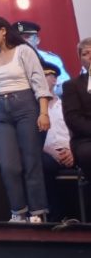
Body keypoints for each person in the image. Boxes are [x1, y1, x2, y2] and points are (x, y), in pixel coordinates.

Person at [0, 15, 51, 223]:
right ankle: (18, 211)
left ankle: (38, 212)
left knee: (31, 162)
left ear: (3, 30)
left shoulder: (24, 51)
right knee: (9, 166)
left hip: (26, 107)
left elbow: (39, 82)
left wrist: (43, 112)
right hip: (2, 112)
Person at [40, 62, 76, 220]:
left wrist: (72, 151)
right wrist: (50, 152)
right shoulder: (33, 108)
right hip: (46, 152)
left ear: (54, 79)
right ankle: (56, 218)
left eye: (44, 76)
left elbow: (77, 131)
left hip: (71, 150)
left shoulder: (67, 105)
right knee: (42, 166)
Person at [61, 39, 91, 183]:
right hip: (86, 139)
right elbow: (73, 119)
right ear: (81, 59)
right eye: (86, 53)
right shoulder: (72, 85)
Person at [13, 21, 70, 96]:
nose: (22, 41)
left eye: (26, 37)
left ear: (37, 40)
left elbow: (65, 85)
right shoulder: (9, 61)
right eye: (18, 38)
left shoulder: (51, 59)